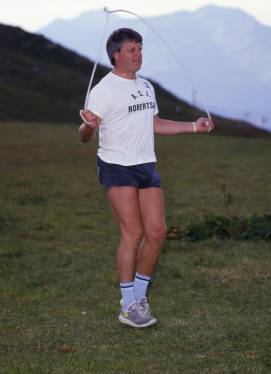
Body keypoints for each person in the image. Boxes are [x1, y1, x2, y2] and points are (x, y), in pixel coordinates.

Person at [79, 27, 214, 328]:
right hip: (116, 166)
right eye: (132, 49)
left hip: (146, 166)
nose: (138, 53)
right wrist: (89, 125)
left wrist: (194, 126)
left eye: (140, 48)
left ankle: (139, 298)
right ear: (116, 54)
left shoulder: (146, 86)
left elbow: (155, 124)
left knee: (157, 232)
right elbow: (85, 136)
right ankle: (128, 305)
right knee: (133, 233)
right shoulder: (103, 89)